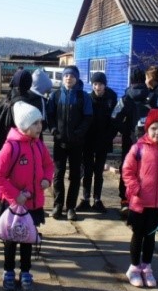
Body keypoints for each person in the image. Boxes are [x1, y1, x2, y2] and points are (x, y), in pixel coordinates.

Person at [0, 101, 54, 291]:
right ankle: (8, 271)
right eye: (35, 124)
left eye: (40, 123)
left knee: (28, 239)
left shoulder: (39, 145)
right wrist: (14, 195)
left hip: (33, 204)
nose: (39, 127)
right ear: (24, 126)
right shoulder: (11, 147)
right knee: (11, 240)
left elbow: (49, 165)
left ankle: (26, 271)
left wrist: (46, 179)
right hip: (13, 205)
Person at [122, 108, 158, 288]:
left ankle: (147, 267)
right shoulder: (138, 148)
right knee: (138, 235)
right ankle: (134, 267)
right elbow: (127, 170)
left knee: (150, 237)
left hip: (157, 204)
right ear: (147, 129)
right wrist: (135, 188)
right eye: (154, 128)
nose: (157, 133)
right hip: (139, 203)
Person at [46, 65, 93, 221]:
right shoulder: (56, 95)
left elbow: (88, 118)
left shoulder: (83, 97)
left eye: (72, 76)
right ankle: (58, 205)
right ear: (63, 77)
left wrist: (78, 133)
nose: (69, 78)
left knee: (74, 176)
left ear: (77, 78)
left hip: (76, 143)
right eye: (66, 75)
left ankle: (71, 207)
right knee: (58, 175)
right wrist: (53, 130)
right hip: (59, 142)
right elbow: (50, 116)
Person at [76, 72, 117, 214]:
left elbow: (114, 121)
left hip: (103, 141)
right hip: (88, 141)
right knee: (87, 171)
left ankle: (97, 200)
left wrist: (109, 137)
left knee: (98, 172)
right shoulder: (88, 98)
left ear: (105, 85)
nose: (97, 87)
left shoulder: (111, 99)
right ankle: (85, 199)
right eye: (95, 84)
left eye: (100, 84)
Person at [112, 68, 149, 218]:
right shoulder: (152, 97)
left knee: (127, 170)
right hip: (149, 142)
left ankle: (125, 201)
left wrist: (125, 129)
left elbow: (114, 117)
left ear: (131, 81)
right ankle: (143, 202)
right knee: (146, 171)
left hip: (130, 141)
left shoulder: (125, 98)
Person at [0, 69, 34, 157]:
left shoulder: (5, 103)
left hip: (5, 153)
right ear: (29, 84)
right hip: (25, 157)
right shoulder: (31, 105)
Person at [27, 68, 53, 138]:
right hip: (36, 135)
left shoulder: (25, 95)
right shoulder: (40, 99)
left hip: (24, 133)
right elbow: (43, 121)